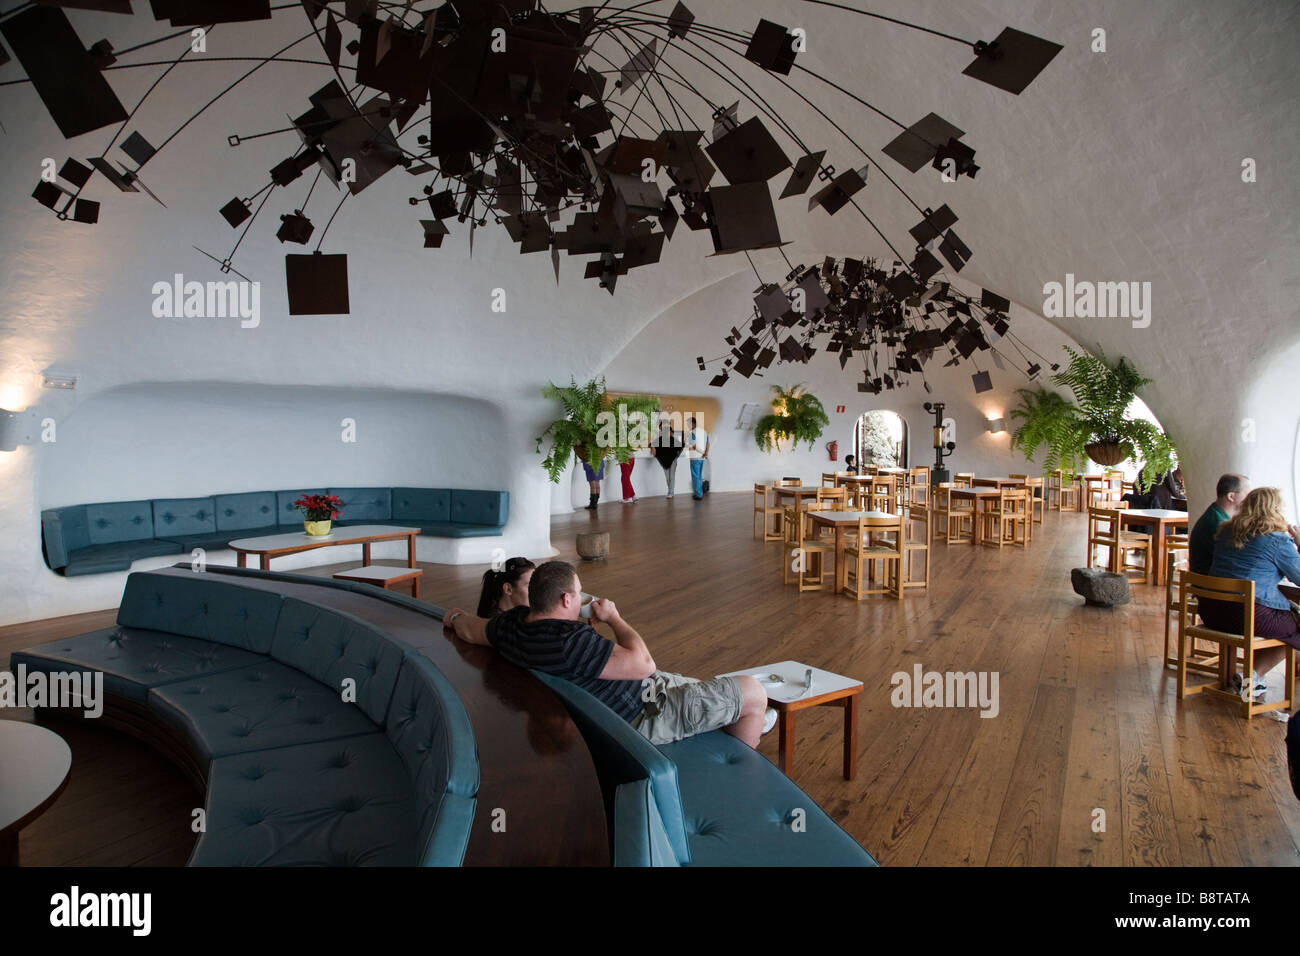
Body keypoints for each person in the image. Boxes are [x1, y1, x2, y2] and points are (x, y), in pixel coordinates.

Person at [443, 561, 775, 746]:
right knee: (754, 694)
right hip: (644, 714)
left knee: (703, 685)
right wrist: (614, 618)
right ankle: (738, 774)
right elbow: (645, 665)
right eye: (576, 592)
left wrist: (453, 617)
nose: (579, 596)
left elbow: (470, 628)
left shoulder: (510, 625)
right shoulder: (570, 640)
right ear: (565, 601)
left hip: (638, 693)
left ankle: (728, 717)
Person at [1199, 487, 1300, 701]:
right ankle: (1252, 678)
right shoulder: (1277, 541)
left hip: (1211, 611)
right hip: (1243, 616)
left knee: (1274, 618)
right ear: (1275, 510)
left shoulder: (1225, 532)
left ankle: (1250, 679)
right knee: (1295, 626)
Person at [1189, 473, 1249, 575]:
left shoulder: (1218, 515)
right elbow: (1235, 559)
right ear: (1231, 496)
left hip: (1214, 582)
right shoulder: (1216, 522)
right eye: (1247, 494)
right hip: (1211, 585)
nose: (1249, 499)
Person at [652, 414, 684, 498]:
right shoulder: (660, 437)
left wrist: (677, 455)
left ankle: (671, 492)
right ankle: (670, 491)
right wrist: (653, 447)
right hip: (663, 459)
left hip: (673, 460)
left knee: (671, 476)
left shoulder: (672, 436)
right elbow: (652, 443)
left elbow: (681, 445)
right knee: (667, 477)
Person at [686, 415, 709, 500]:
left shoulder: (692, 433)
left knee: (695, 476)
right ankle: (699, 493)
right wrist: (705, 453)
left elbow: (694, 446)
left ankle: (698, 495)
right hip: (702, 458)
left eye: (688, 424)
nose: (687, 426)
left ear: (692, 424)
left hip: (695, 458)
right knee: (699, 475)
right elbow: (708, 443)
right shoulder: (704, 432)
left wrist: (703, 453)